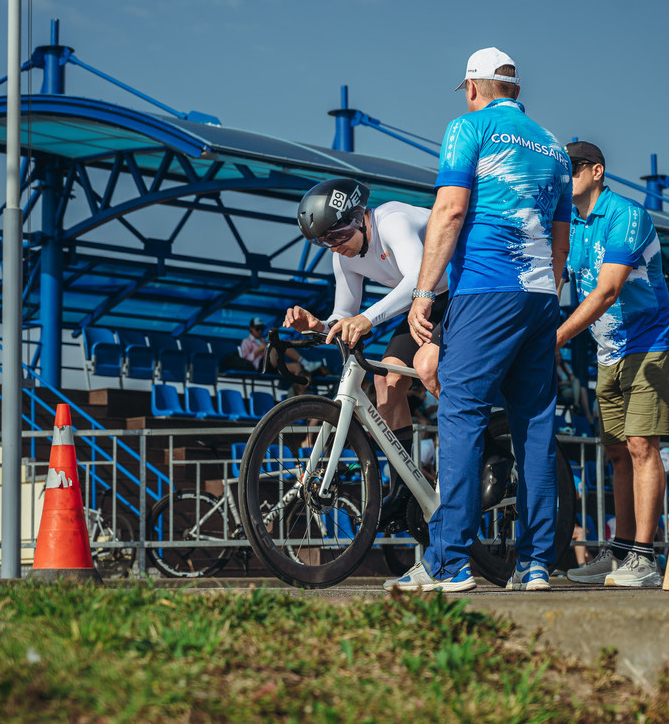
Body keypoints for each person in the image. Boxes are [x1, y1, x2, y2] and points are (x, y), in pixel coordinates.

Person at [386, 46, 572, 593]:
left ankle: (449, 562)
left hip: (487, 288)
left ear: (473, 87)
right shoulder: (554, 147)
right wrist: (546, 291)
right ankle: (536, 564)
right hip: (540, 296)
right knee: (534, 428)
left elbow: (449, 210)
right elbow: (561, 240)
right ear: (514, 90)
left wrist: (423, 292)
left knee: (461, 416)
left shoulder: (467, 128)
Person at [284, 177, 449, 529]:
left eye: (338, 235)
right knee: (387, 381)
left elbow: (421, 279)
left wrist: (366, 318)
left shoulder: (392, 221)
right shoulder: (343, 258)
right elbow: (344, 317)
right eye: (323, 241)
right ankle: (405, 488)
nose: (333, 246)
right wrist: (317, 325)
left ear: (359, 217)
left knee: (430, 368)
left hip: (454, 292)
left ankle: (469, 449)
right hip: (423, 303)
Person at [558, 141, 669, 589]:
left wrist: (557, 336)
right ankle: (621, 551)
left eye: (571, 169)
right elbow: (554, 282)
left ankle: (645, 559)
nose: (563, 176)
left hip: (648, 346)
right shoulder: (567, 223)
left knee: (642, 445)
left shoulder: (626, 215)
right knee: (616, 452)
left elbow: (608, 291)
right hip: (607, 352)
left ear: (597, 171)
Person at [220, 317, 322, 378]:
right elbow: (246, 359)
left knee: (296, 367)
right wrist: (258, 350)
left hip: (271, 365)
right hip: (260, 366)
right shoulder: (246, 342)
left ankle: (297, 392)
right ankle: (305, 362)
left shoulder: (262, 340)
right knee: (277, 344)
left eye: (261, 329)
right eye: (257, 329)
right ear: (251, 329)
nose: (260, 331)